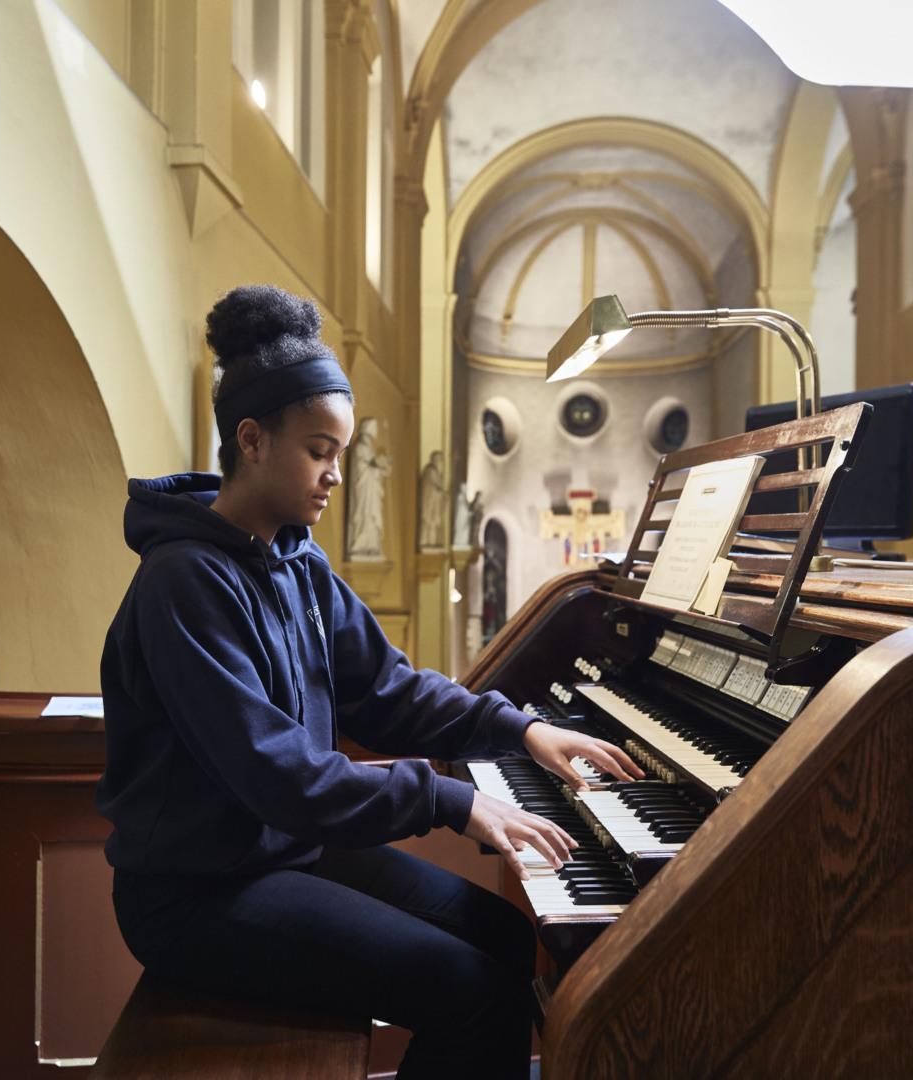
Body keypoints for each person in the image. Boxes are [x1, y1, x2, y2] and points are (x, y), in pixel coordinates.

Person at [97, 285, 640, 1079]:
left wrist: (520, 729)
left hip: (283, 853)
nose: (335, 476)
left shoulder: (297, 559)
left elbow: (388, 692)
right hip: (195, 892)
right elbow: (277, 774)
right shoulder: (183, 583)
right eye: (320, 451)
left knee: (499, 935)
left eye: (340, 454)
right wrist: (451, 800)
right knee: (470, 992)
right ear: (251, 439)